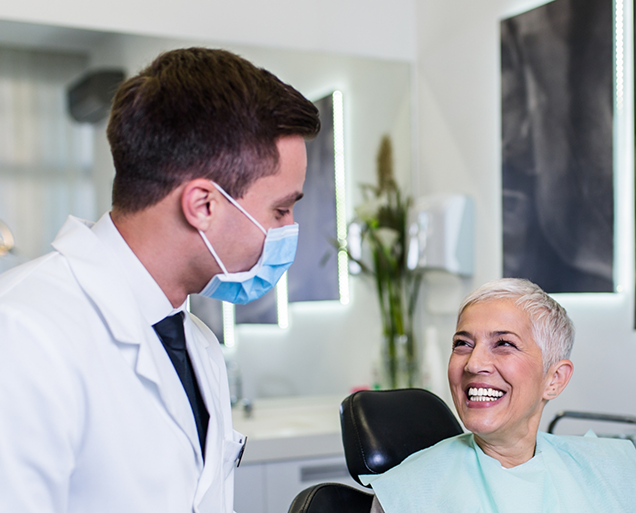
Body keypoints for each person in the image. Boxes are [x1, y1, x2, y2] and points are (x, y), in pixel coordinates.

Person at [0, 47, 319, 513]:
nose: (288, 230)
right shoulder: (24, 333)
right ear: (203, 205)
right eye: (281, 209)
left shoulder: (197, 344)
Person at [364, 278, 636, 512]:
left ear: (554, 379)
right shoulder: (407, 495)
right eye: (462, 344)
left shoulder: (613, 469)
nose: (473, 363)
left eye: (504, 344)